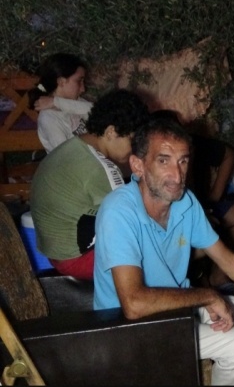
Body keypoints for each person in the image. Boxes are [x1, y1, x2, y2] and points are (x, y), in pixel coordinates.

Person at [92, 115, 234, 385]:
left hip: (178, 311)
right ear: (138, 165)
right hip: (128, 329)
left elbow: (226, 259)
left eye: (183, 161)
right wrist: (207, 296)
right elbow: (133, 304)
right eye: (163, 161)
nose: (177, 175)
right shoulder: (118, 211)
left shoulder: (185, 202)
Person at [30, 89, 149, 280]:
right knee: (155, 247)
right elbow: (132, 219)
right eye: (132, 141)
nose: (135, 149)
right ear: (111, 132)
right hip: (76, 259)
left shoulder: (75, 145)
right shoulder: (101, 169)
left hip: (54, 250)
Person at [149, 109, 234, 290]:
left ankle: (220, 277)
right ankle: (198, 283)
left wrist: (214, 196)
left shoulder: (191, 143)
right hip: (175, 221)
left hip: (202, 207)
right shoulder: (149, 164)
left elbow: (228, 155)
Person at [28, 53, 94, 153]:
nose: (83, 89)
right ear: (61, 82)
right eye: (79, 81)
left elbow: (97, 111)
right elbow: (65, 155)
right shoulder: (49, 118)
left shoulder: (75, 102)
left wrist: (56, 102)